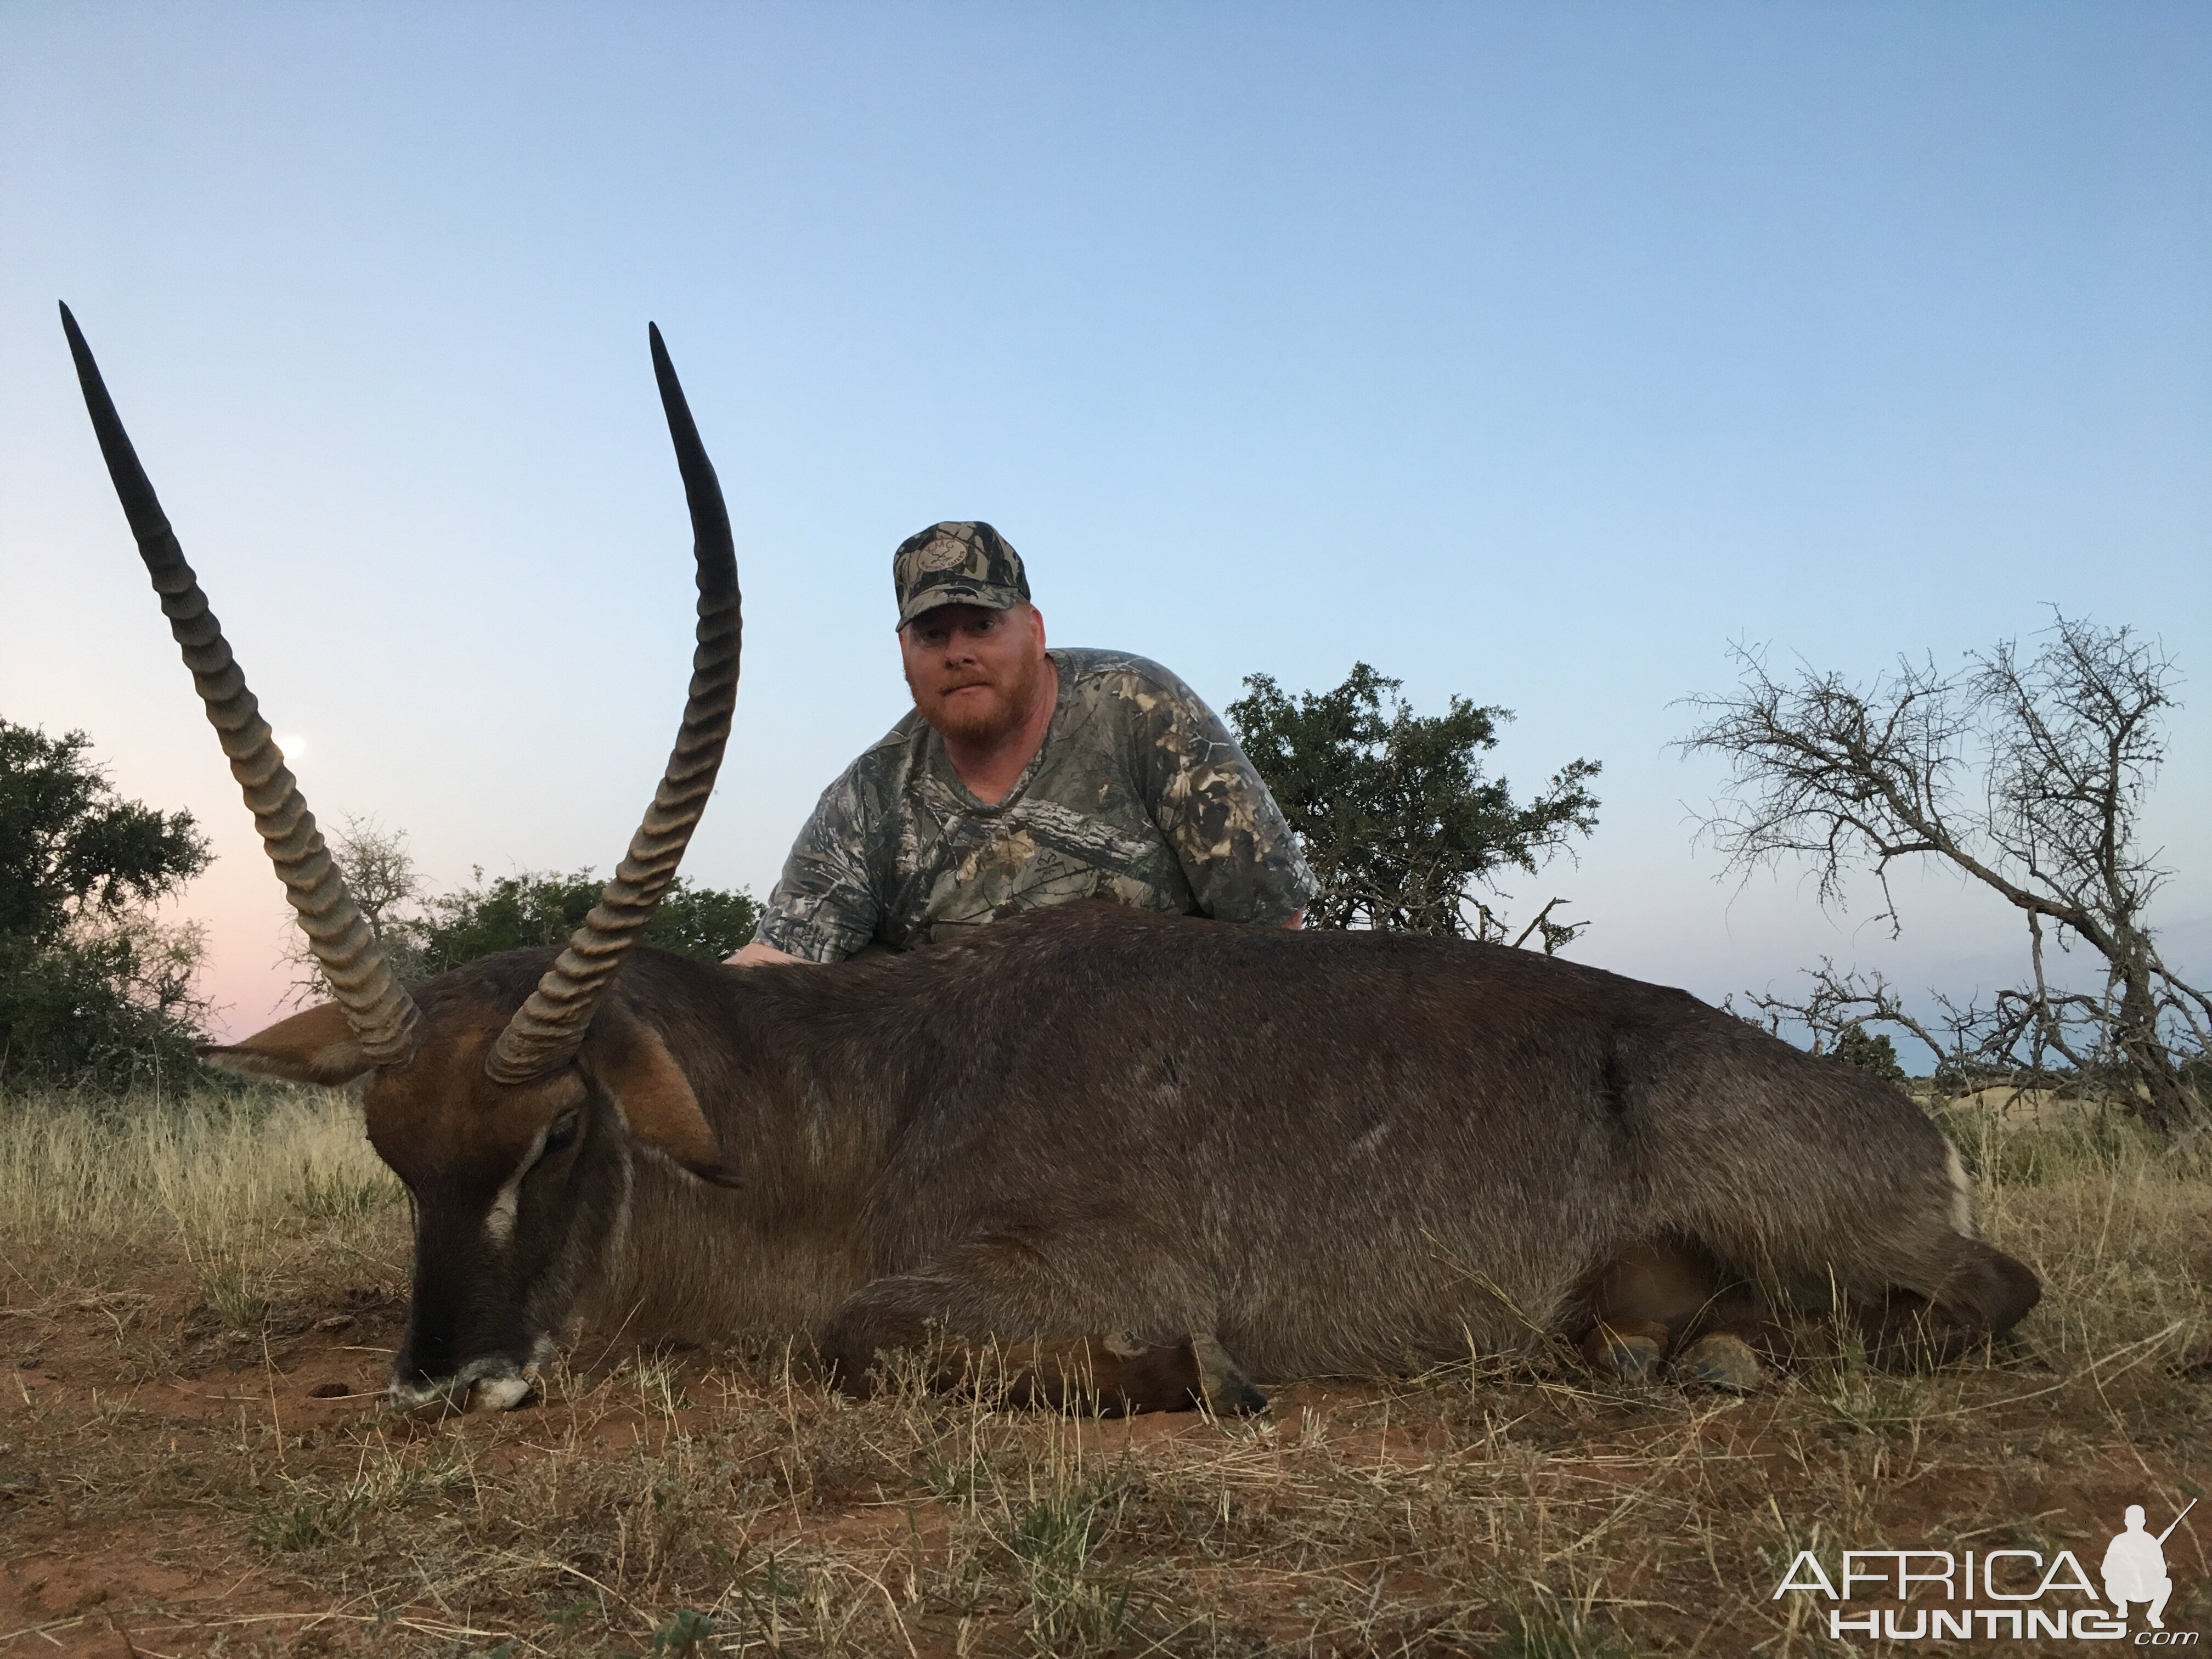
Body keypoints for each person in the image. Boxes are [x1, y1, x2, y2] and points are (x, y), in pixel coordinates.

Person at [729, 521, 1315, 965]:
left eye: (982, 625)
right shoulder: (867, 799)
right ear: (905, 653)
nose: (958, 652)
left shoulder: (1142, 709)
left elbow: (1274, 926)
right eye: (933, 635)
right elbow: (776, 969)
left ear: (1034, 631)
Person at [2102, 1504, 2174, 1629]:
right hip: (2124, 1589)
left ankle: (2154, 1615)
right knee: (2109, 1583)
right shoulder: (2118, 1541)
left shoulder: (2151, 1542)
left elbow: (2163, 1570)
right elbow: (2106, 1569)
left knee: (2167, 1583)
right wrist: (2124, 1571)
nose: (2135, 1523)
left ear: (2144, 1522)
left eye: (2138, 1520)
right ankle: (2122, 1606)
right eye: (2132, 1520)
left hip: (2146, 1589)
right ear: (2126, 1522)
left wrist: (2148, 1568)